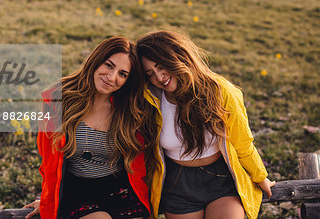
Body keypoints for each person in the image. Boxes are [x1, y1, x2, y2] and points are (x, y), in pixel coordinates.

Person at [136, 30, 276, 219]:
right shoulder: (151, 99)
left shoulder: (220, 91)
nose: (159, 77)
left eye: (162, 66)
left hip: (221, 180)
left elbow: (242, 142)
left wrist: (260, 177)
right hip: (178, 183)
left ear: (178, 56)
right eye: (150, 73)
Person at [23, 37, 159, 219]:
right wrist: (49, 201)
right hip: (78, 190)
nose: (112, 78)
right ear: (96, 60)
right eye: (109, 65)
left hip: (120, 189)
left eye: (122, 74)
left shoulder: (130, 109)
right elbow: (49, 162)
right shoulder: (58, 99)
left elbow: (141, 163)